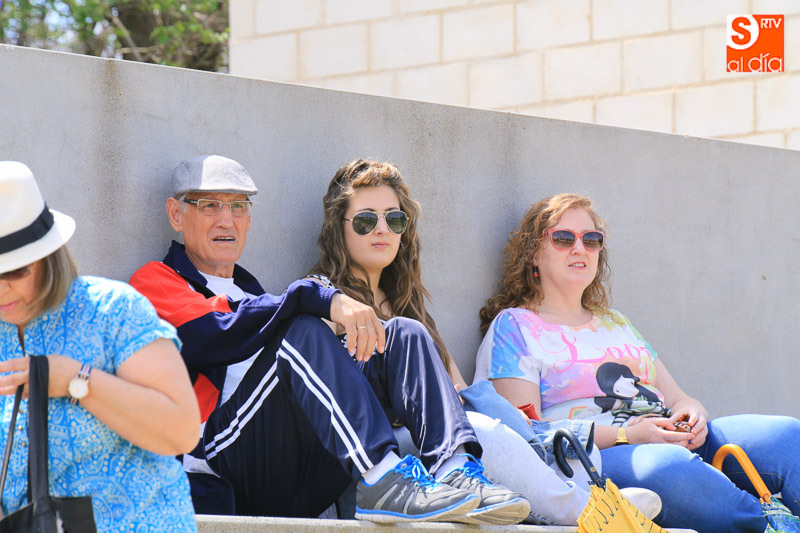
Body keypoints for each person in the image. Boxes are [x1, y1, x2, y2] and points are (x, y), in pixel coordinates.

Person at [129, 154, 526, 524]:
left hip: (299, 471)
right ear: (176, 214)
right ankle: (382, 477)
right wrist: (318, 298)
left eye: (237, 207)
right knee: (303, 329)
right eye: (209, 206)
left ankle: (457, 469)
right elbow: (215, 335)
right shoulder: (157, 282)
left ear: (249, 220)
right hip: (223, 464)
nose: (226, 220)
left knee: (405, 333)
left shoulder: (253, 294)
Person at [307, 159, 662, 525]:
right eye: (366, 220)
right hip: (375, 470)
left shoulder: (408, 309)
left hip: (433, 452)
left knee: (530, 435)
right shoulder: (326, 303)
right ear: (339, 228)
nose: (382, 229)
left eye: (394, 220)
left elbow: (459, 392)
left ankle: (577, 499)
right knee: (483, 433)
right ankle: (584, 512)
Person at [475, 192, 800, 531]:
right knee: (669, 466)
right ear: (533, 253)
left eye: (591, 239)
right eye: (563, 238)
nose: (580, 248)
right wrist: (629, 435)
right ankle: (771, 527)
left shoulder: (615, 322)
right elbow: (529, 433)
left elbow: (678, 398)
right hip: (602, 456)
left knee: (786, 435)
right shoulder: (514, 327)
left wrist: (694, 415)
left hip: (668, 436)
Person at [0, 161, 199, 532]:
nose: (1, 288)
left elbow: (182, 431)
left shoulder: (112, 311)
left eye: (13, 270)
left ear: (48, 256)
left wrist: (78, 381)